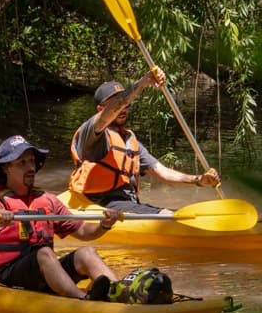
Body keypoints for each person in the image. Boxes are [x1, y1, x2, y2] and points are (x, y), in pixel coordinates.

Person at [0, 135, 122, 301]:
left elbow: (84, 231)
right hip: (7, 274)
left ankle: (121, 292)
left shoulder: (48, 200)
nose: (30, 167)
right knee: (44, 253)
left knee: (86, 253)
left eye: (31, 161)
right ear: (5, 168)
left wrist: (104, 224)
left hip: (42, 271)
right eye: (22, 162)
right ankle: (83, 300)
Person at [69, 67, 221, 214]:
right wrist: (143, 83)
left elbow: (163, 173)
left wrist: (199, 180)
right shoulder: (92, 132)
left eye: (126, 104)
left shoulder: (129, 141)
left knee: (176, 213)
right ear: (101, 109)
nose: (123, 108)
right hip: (102, 202)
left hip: (127, 203)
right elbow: (117, 106)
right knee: (166, 215)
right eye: (116, 103)